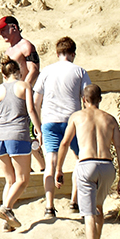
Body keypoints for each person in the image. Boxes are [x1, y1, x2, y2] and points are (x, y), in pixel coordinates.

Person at [55, 84, 120, 239]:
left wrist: (58, 169)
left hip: (86, 164)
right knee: (99, 209)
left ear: (83, 99)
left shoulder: (77, 117)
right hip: (107, 166)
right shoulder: (110, 119)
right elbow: (119, 147)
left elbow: (64, 143)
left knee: (88, 213)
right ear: (100, 99)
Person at [0, 58, 41, 231]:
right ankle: (6, 209)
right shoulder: (24, 86)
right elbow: (31, 110)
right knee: (22, 179)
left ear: (3, 75)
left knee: (10, 180)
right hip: (17, 135)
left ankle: (8, 221)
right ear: (19, 72)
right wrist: (39, 130)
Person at [34, 37, 92, 219]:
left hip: (50, 121)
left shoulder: (47, 71)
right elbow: (87, 98)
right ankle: (74, 201)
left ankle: (49, 206)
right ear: (73, 53)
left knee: (50, 164)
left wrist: (37, 127)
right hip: (72, 121)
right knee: (80, 160)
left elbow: (36, 102)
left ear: (57, 53)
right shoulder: (79, 71)